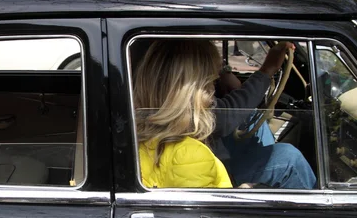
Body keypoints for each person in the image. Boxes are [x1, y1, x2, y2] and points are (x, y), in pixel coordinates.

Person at [134, 40, 316, 189]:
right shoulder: (193, 153)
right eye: (211, 81)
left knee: (252, 119)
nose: (213, 90)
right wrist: (246, 192)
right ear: (195, 88)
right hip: (218, 174)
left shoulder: (150, 109)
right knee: (290, 159)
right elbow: (216, 206)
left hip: (201, 161)